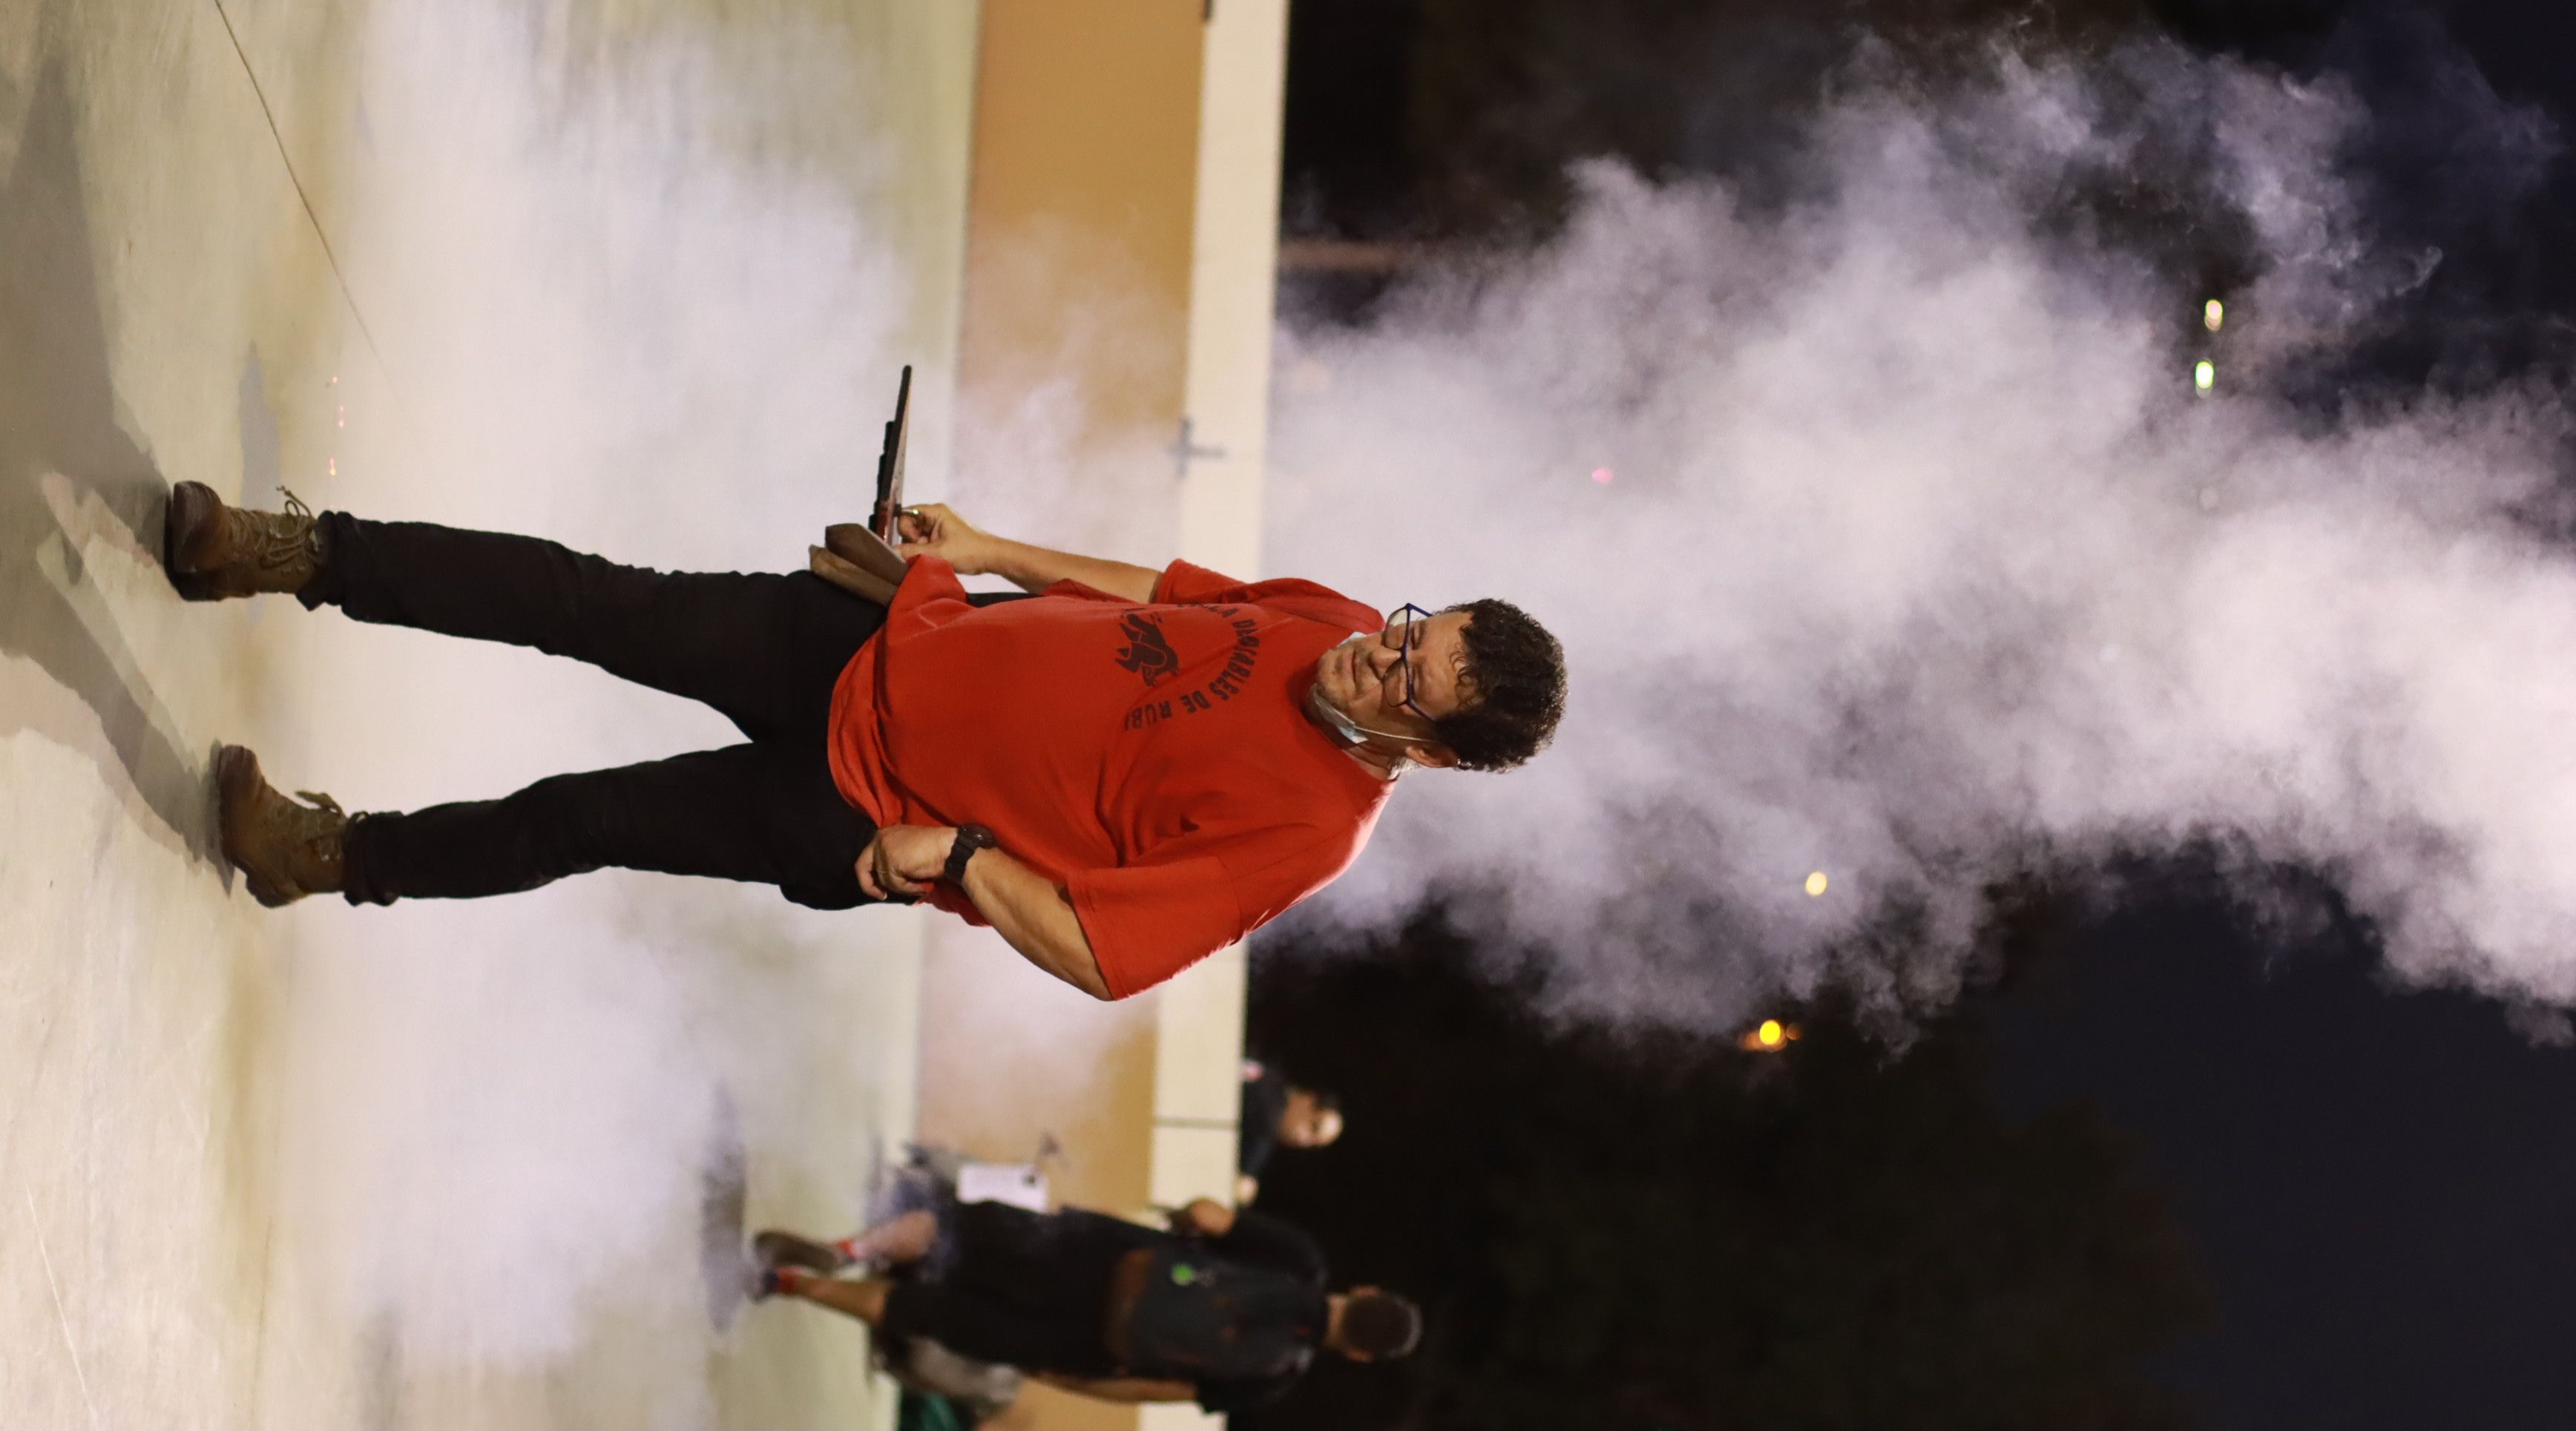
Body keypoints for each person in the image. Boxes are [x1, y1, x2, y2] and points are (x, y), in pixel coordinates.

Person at [166, 485, 1565, 998]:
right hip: (876, 637)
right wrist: (989, 550)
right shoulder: (1323, 614)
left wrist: (955, 854)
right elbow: (1161, 599)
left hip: (855, 810)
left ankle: (326, 854)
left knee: (577, 817)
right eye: (1411, 627)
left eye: (1409, 683)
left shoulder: (1308, 834)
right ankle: (293, 553)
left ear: (1430, 754)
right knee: (582, 600)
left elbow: (1102, 953)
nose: (1379, 650)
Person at [751, 1197, 1419, 1413]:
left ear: (1364, 1293)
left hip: (1093, 1255)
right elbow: (1162, 1388)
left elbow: (1213, 1218)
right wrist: (1065, 1377)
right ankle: (795, 1286)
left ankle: (850, 1247)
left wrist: (1185, 1214)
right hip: (1080, 1344)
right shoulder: (1278, 1376)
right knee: (926, 1315)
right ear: (1358, 1352)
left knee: (959, 1228)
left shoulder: (1301, 1262)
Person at [1236, 1059, 1344, 1204]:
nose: (1305, 1141)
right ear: (1308, 1099)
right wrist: (1248, 1175)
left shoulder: (1272, 1079)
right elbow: (1264, 1128)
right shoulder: (1271, 1096)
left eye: (1313, 1144)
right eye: (1314, 1127)